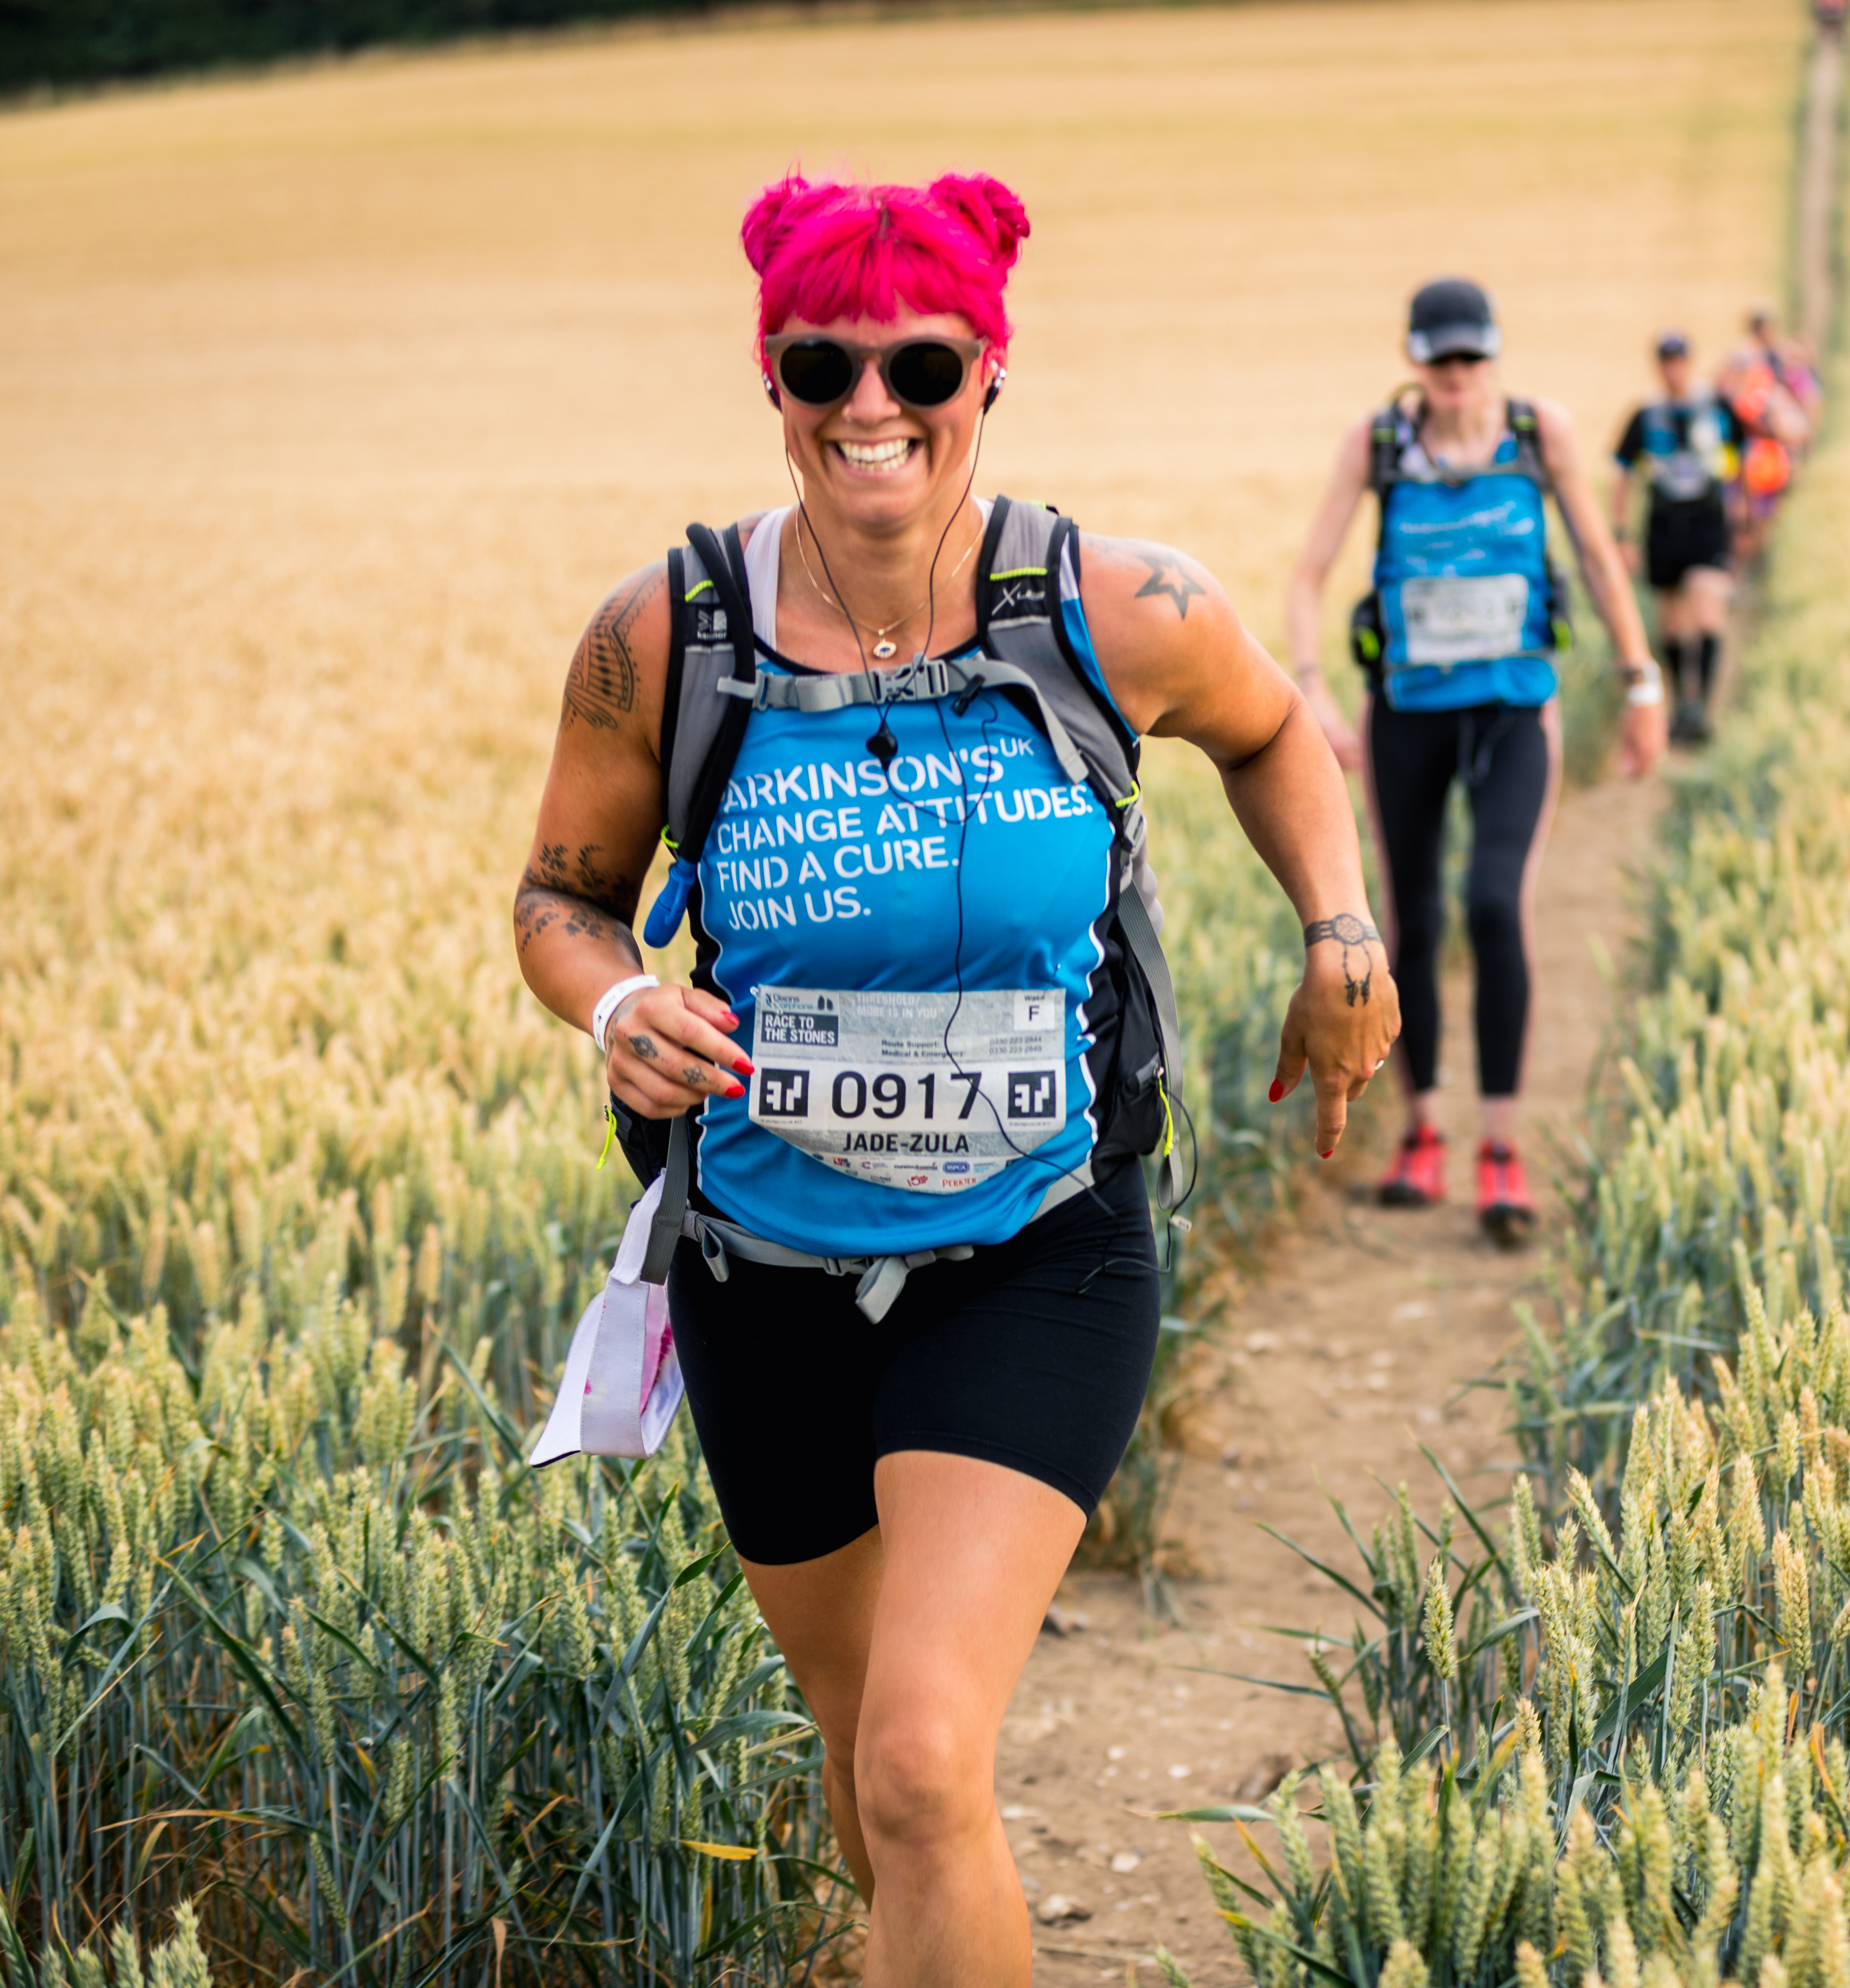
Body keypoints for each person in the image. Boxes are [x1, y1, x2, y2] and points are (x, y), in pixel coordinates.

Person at [510, 171, 1396, 1986]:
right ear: (770, 374)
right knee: (872, 1786)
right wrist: (614, 1010)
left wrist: (1341, 926)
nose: (868, 402)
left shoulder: (1112, 604)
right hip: (761, 1267)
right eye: (819, 360)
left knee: (922, 1761)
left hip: (1040, 1244)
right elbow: (560, 898)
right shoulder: (666, 634)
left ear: (990, 370)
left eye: (918, 359)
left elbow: (1274, 729)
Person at [1283, 276, 1665, 1246]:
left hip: (1512, 714)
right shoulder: (1377, 444)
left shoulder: (1542, 434)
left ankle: (1499, 1145)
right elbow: (1308, 571)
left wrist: (1640, 682)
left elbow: (1595, 554)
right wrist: (1312, 685)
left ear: (1493, 356)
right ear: (1416, 361)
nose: (1457, 377)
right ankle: (1423, 1133)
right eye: (1440, 360)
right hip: (1406, 715)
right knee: (1410, 918)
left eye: (1472, 358)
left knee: (1495, 902)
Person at [1611, 329, 1741, 743]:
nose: (1673, 369)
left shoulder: (1716, 407)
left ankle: (1699, 706)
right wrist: (1622, 534)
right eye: (1666, 361)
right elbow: (1622, 472)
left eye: (1679, 360)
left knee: (1706, 609)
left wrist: (1741, 505)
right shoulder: (1646, 414)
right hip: (1665, 526)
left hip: (1707, 522)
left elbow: (1742, 453)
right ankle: (1679, 704)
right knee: (1672, 622)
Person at [1718, 302, 1819, 567]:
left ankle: (1753, 564)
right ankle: (1743, 565)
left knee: (1763, 513)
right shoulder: (1742, 359)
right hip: (1745, 445)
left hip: (1769, 449)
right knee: (1740, 514)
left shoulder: (1778, 358)